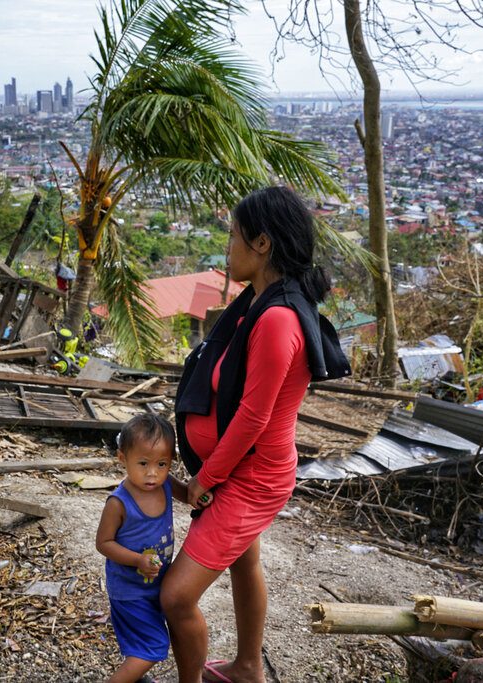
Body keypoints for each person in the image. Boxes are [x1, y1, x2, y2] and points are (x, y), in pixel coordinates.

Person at [160, 186, 350, 683]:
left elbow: (253, 417)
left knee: (176, 596)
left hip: (251, 478)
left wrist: (207, 478)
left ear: (262, 243)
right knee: (245, 564)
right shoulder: (259, 302)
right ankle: (247, 668)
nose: (228, 248)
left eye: (233, 237)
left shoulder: (277, 318)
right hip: (237, 469)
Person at [96, 414, 213, 683]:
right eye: (143, 464)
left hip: (155, 584)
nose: (152, 473)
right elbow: (103, 543)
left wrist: (203, 497)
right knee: (152, 648)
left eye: (161, 464)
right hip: (130, 591)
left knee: (145, 640)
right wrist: (137, 559)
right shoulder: (119, 503)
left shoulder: (166, 484)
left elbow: (189, 495)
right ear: (122, 458)